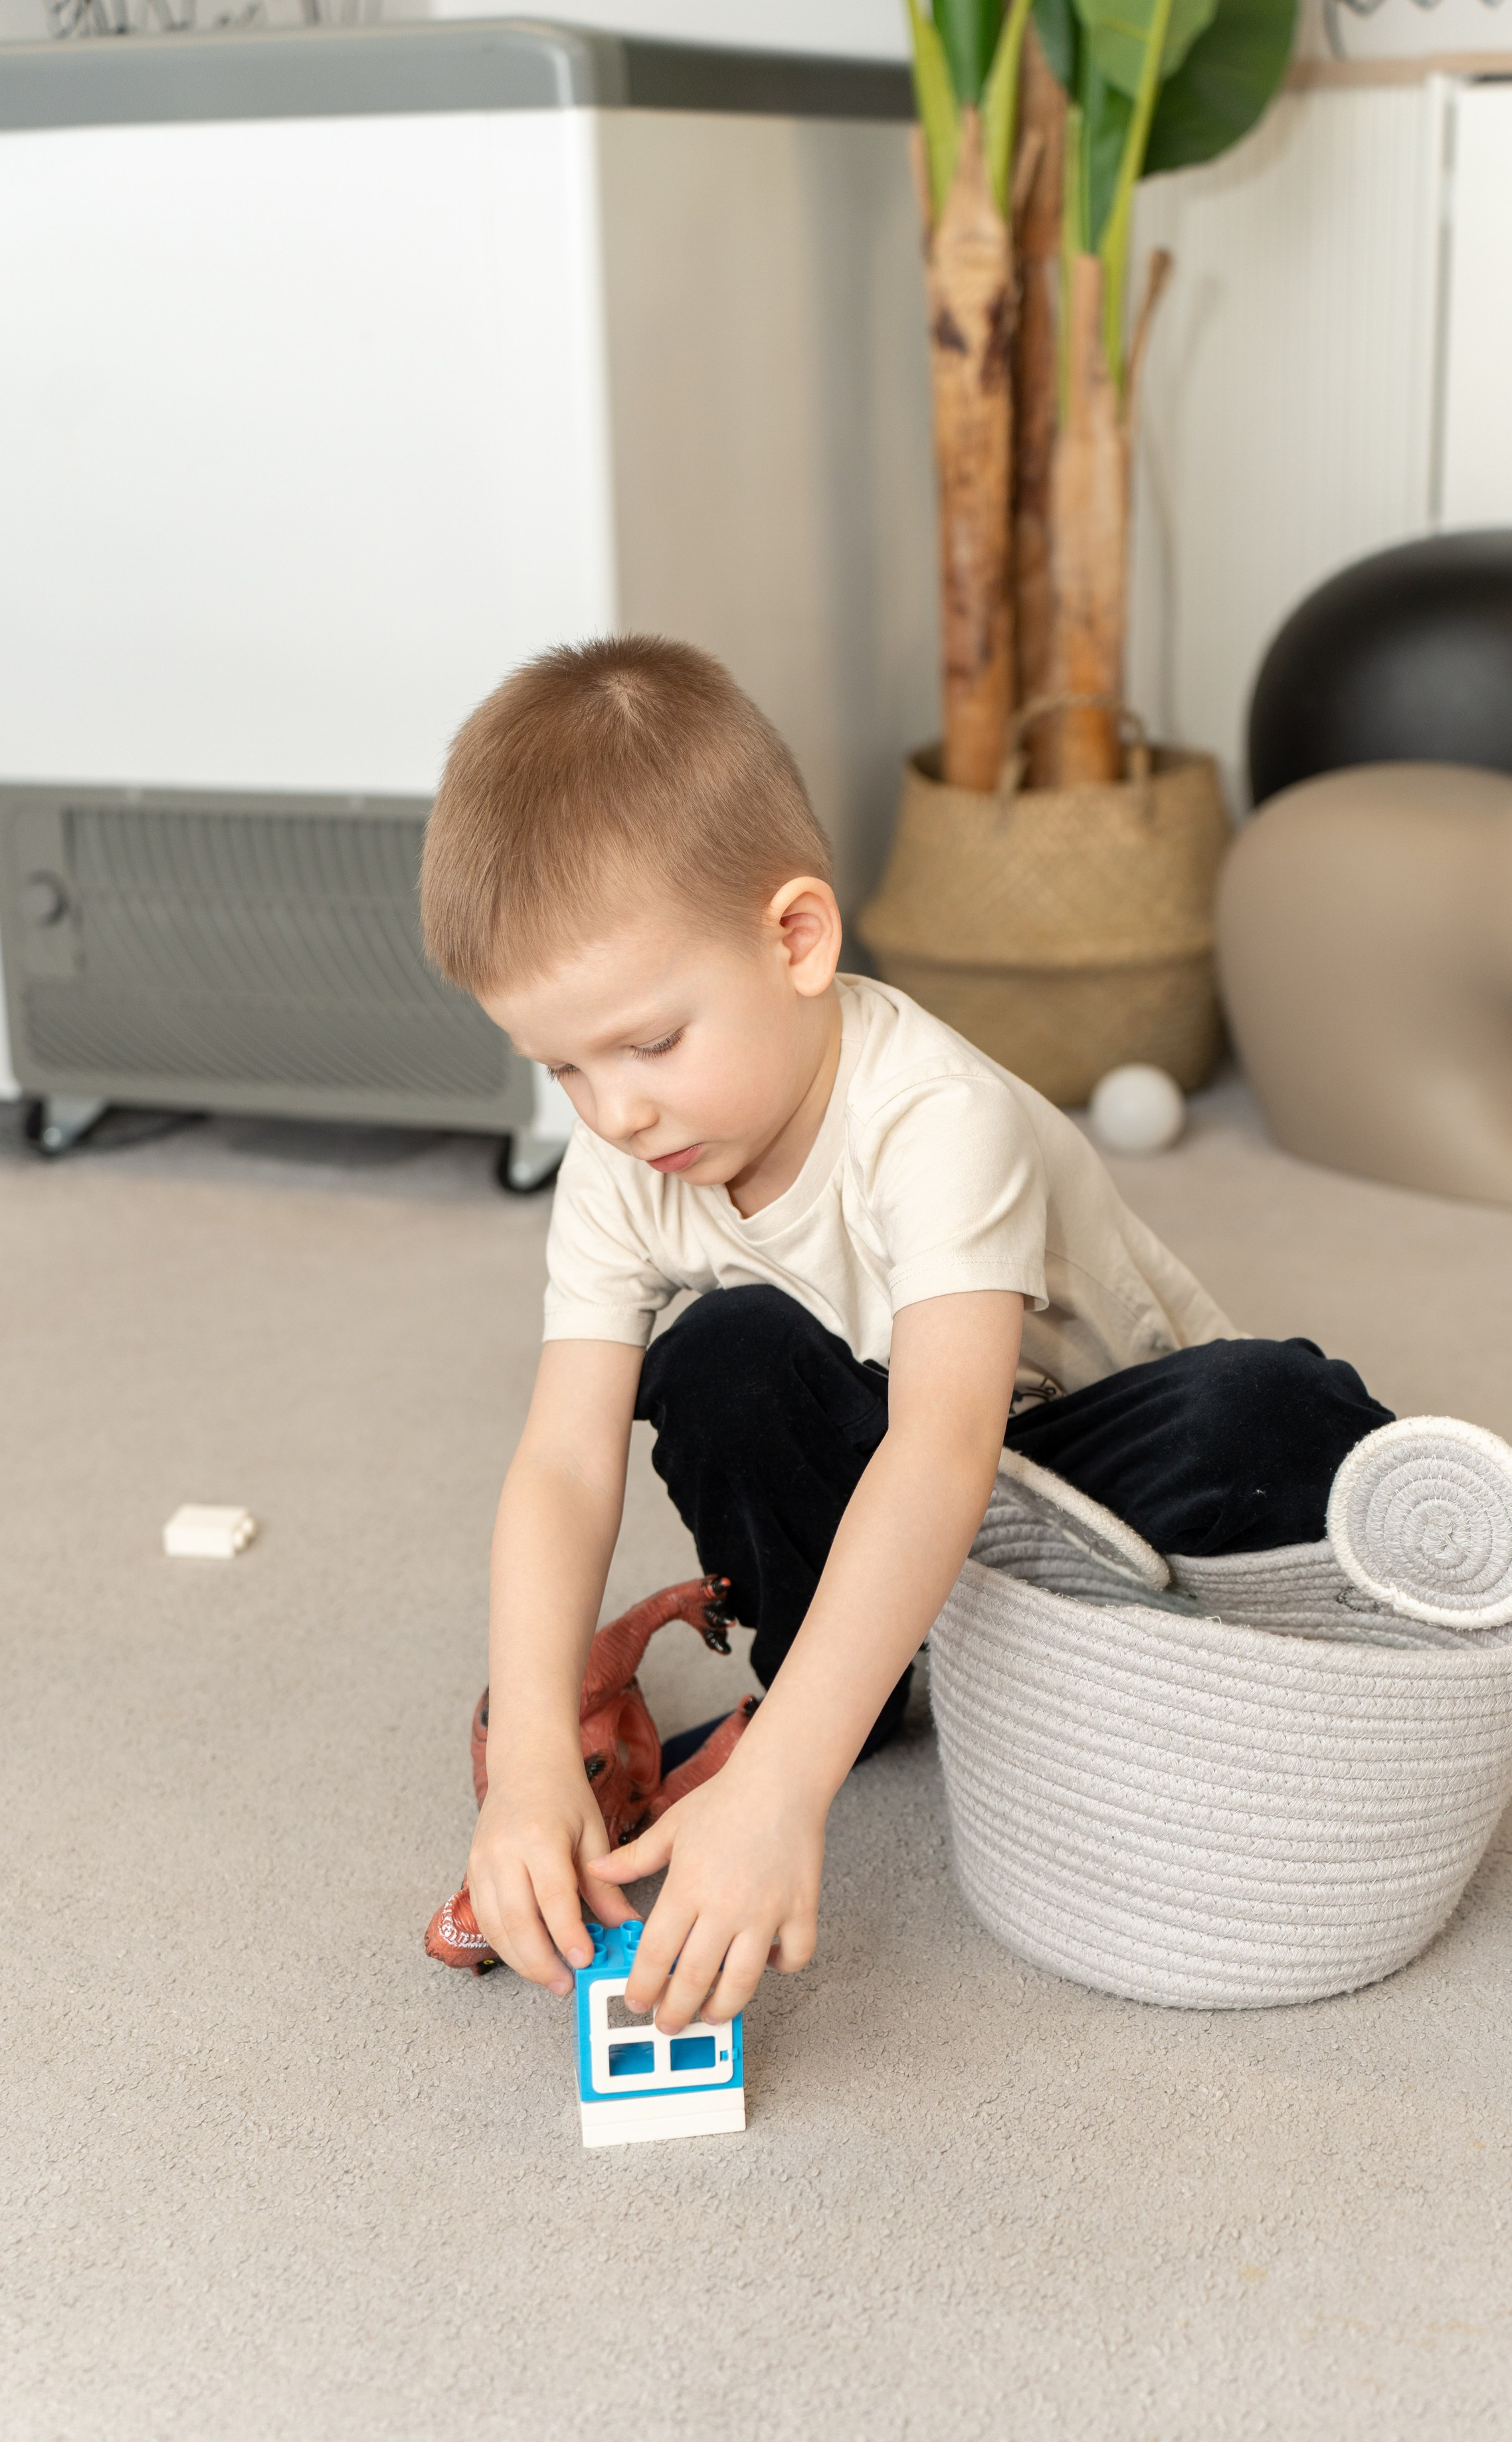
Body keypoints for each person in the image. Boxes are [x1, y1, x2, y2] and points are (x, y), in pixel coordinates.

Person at [419, 637, 1393, 2037]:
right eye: (561, 1067)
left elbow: (946, 1447)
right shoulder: (621, 1166)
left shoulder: (935, 1117)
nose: (615, 1111)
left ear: (796, 941)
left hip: (1070, 1463)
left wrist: (780, 1788)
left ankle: (1032, 1651)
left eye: (651, 1044)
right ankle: (865, 1687)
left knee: (1268, 1413)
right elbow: (564, 1463)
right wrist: (527, 1764)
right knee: (723, 1355)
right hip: (887, 1477)